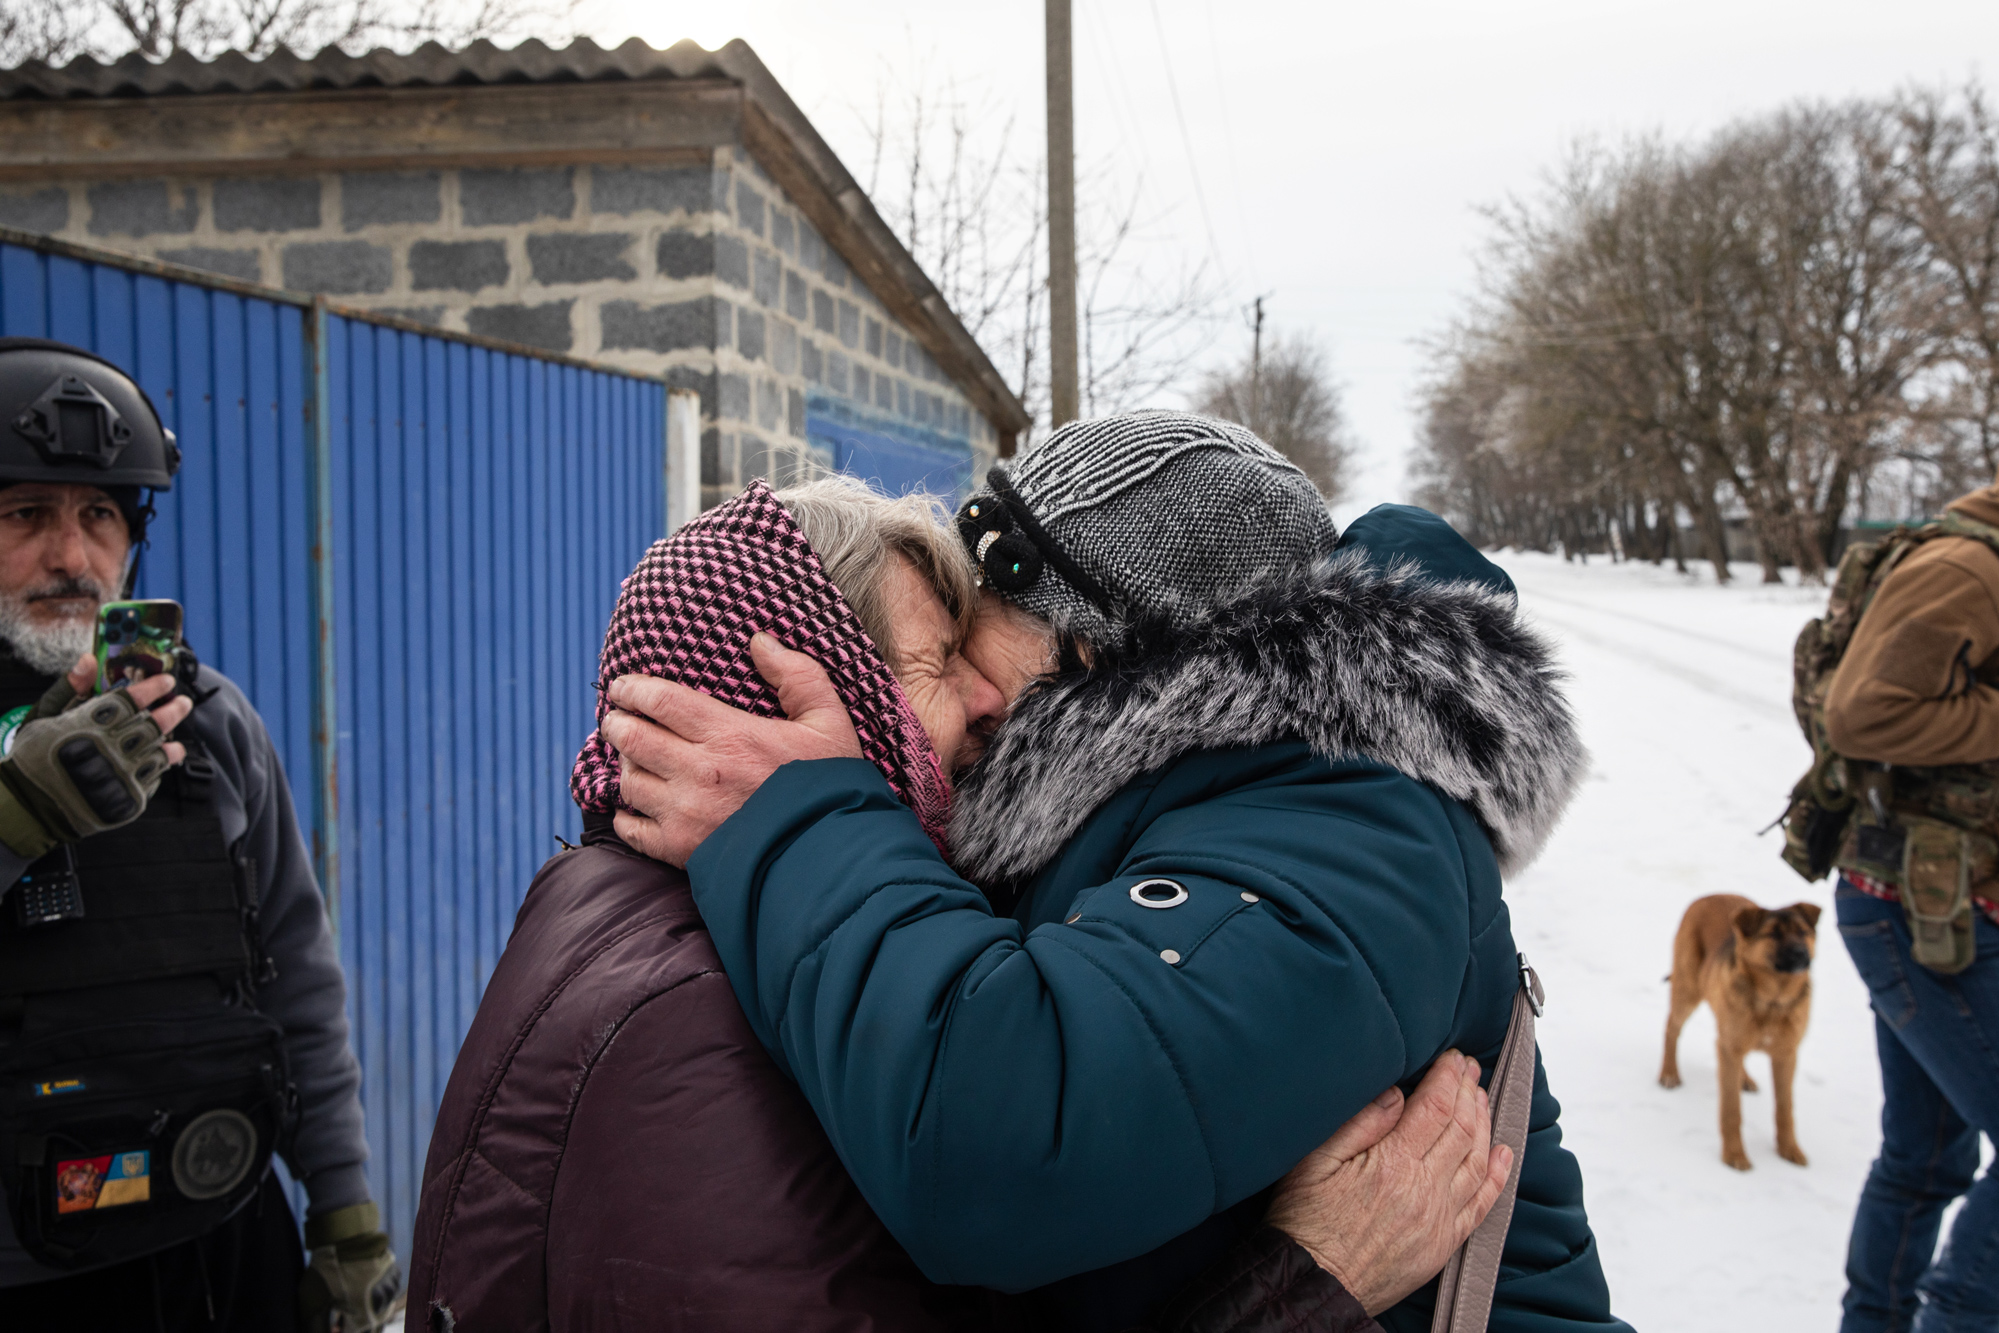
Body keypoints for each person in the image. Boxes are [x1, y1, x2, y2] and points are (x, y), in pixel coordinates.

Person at [408, 477, 1514, 1333]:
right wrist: (1301, 1290)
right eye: (937, 657)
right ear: (803, 690)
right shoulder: (702, 1017)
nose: (990, 707)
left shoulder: (682, 918)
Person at [0, 340, 399, 1332]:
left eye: (101, 515)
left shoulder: (206, 719)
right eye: (26, 515)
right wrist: (20, 816)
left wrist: (344, 1217)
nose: (72, 555)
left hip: (213, 1232)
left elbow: (296, 973)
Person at [1818, 467, 1999, 1333]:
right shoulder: (1967, 567)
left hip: (1944, 902)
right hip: (1923, 912)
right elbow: (1862, 713)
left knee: (1926, 1157)